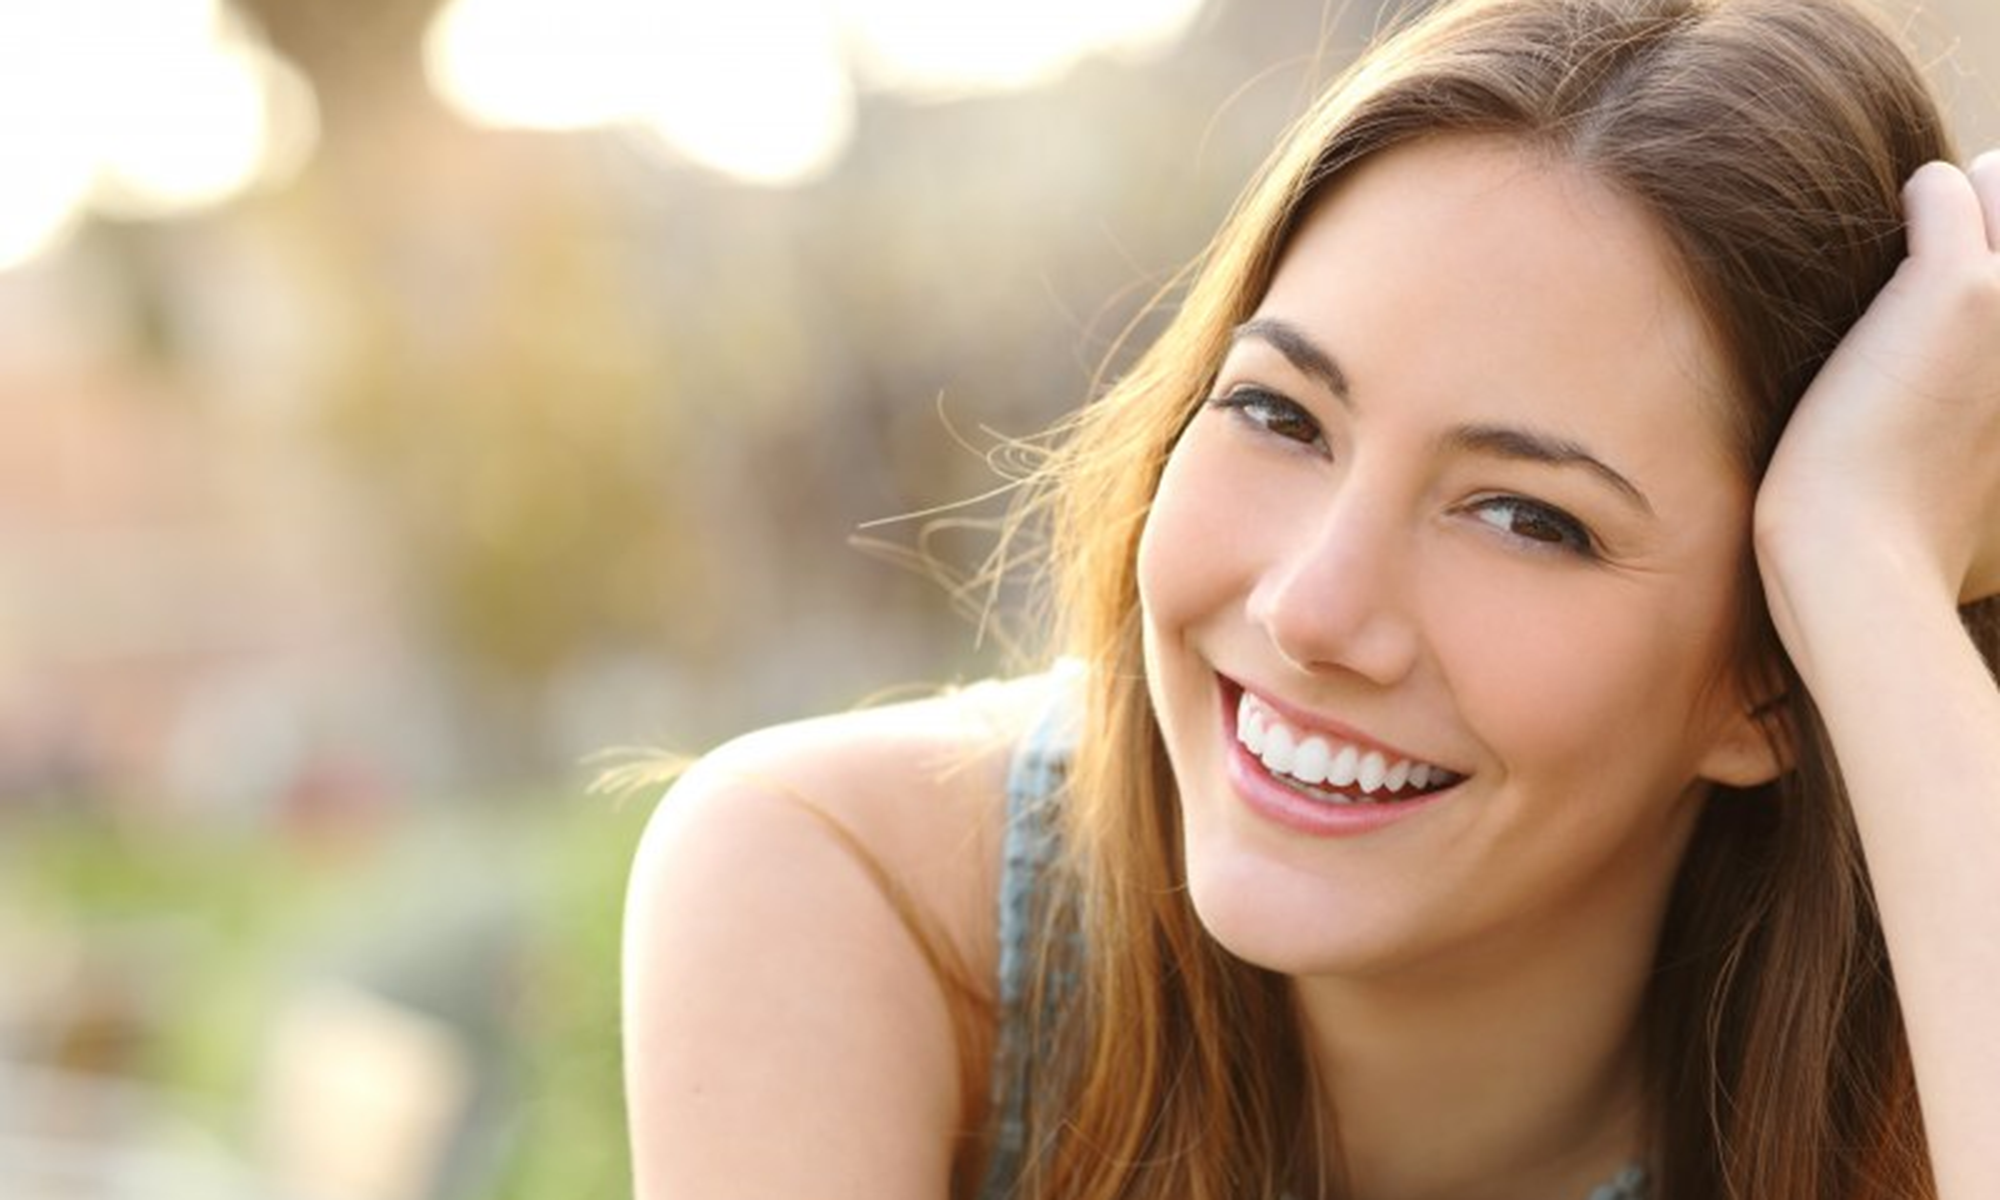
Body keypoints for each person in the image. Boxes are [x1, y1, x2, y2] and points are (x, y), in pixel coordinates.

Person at [620, 0, 2000, 1195]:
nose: (1313, 608)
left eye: (1528, 517)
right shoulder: (856, 896)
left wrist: (1872, 573)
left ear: (1771, 680)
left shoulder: (1931, 1045)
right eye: (1281, 415)